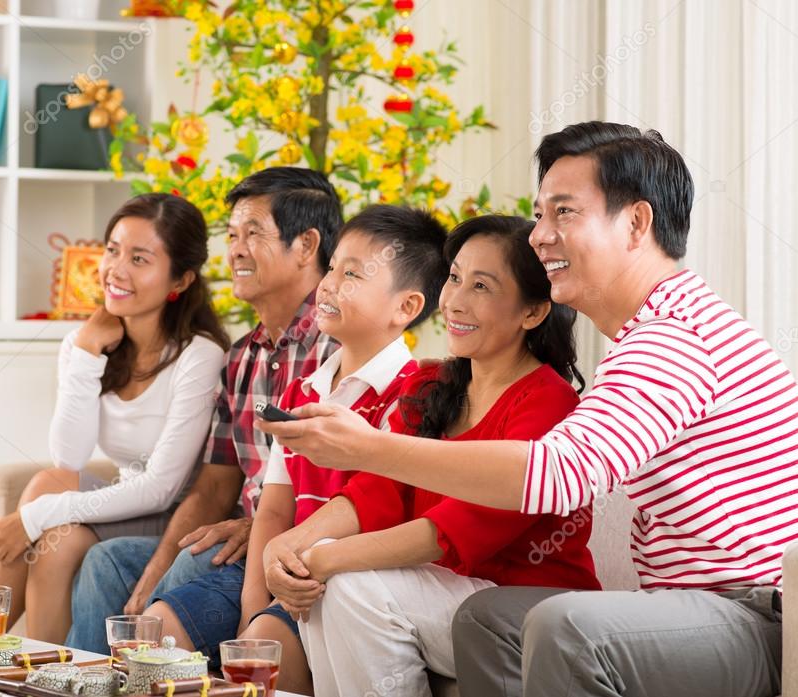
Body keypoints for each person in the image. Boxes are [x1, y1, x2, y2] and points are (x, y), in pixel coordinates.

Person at [258, 121, 798, 697]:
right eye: (540, 214)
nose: (540, 236)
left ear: (636, 223)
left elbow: (554, 476)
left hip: (750, 619)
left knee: (563, 625)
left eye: (563, 213)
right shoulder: (649, 336)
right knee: (490, 619)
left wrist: (367, 446)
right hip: (689, 609)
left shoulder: (671, 340)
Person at [262, 214, 600, 697]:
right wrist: (292, 546)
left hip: (524, 606)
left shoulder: (548, 403)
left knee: (348, 584)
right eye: (456, 278)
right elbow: (373, 493)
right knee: (324, 585)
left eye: (482, 286)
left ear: (532, 312)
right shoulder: (430, 385)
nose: (456, 301)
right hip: (440, 596)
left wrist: (324, 559)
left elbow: (451, 533)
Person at [144, 205, 450, 695]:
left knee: (266, 650)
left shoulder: (418, 390)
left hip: (348, 579)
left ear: (406, 308)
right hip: (278, 574)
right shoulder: (301, 393)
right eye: (332, 268)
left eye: (352, 274)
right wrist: (252, 604)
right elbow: (274, 509)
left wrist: (266, 614)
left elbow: (381, 502)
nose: (328, 284)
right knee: (158, 630)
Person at [65, 167, 343, 654]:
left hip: (296, 548)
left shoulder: (338, 348)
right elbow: (216, 483)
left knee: (200, 559)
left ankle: (147, 670)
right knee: (108, 562)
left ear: (305, 246)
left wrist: (259, 527)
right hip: (233, 541)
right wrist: (155, 570)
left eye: (253, 233)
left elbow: (349, 487)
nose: (235, 250)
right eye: (232, 235)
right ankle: (77, 686)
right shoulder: (242, 357)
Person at [0, 193, 229, 643]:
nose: (116, 269)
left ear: (181, 279)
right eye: (112, 250)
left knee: (47, 501)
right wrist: (88, 353)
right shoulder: (85, 343)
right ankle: (27, 669)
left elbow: (161, 488)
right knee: (55, 514)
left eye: (139, 258)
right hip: (125, 502)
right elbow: (69, 457)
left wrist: (36, 517)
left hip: (176, 515)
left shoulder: (199, 356)